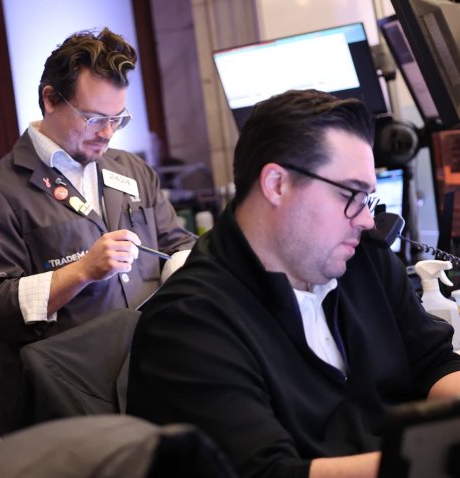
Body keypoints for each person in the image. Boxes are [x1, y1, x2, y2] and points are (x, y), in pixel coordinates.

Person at [127, 89, 460, 478]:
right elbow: (266, 473)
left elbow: (432, 361)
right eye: (350, 194)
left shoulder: (363, 259)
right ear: (277, 184)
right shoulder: (188, 323)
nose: (367, 221)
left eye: (368, 199)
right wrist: (428, 460)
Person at [0, 27, 196, 436]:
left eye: (118, 119)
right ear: (50, 99)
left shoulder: (132, 170)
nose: (107, 132)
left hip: (145, 385)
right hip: (58, 408)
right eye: (93, 118)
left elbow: (178, 244)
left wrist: (183, 273)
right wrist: (82, 272)